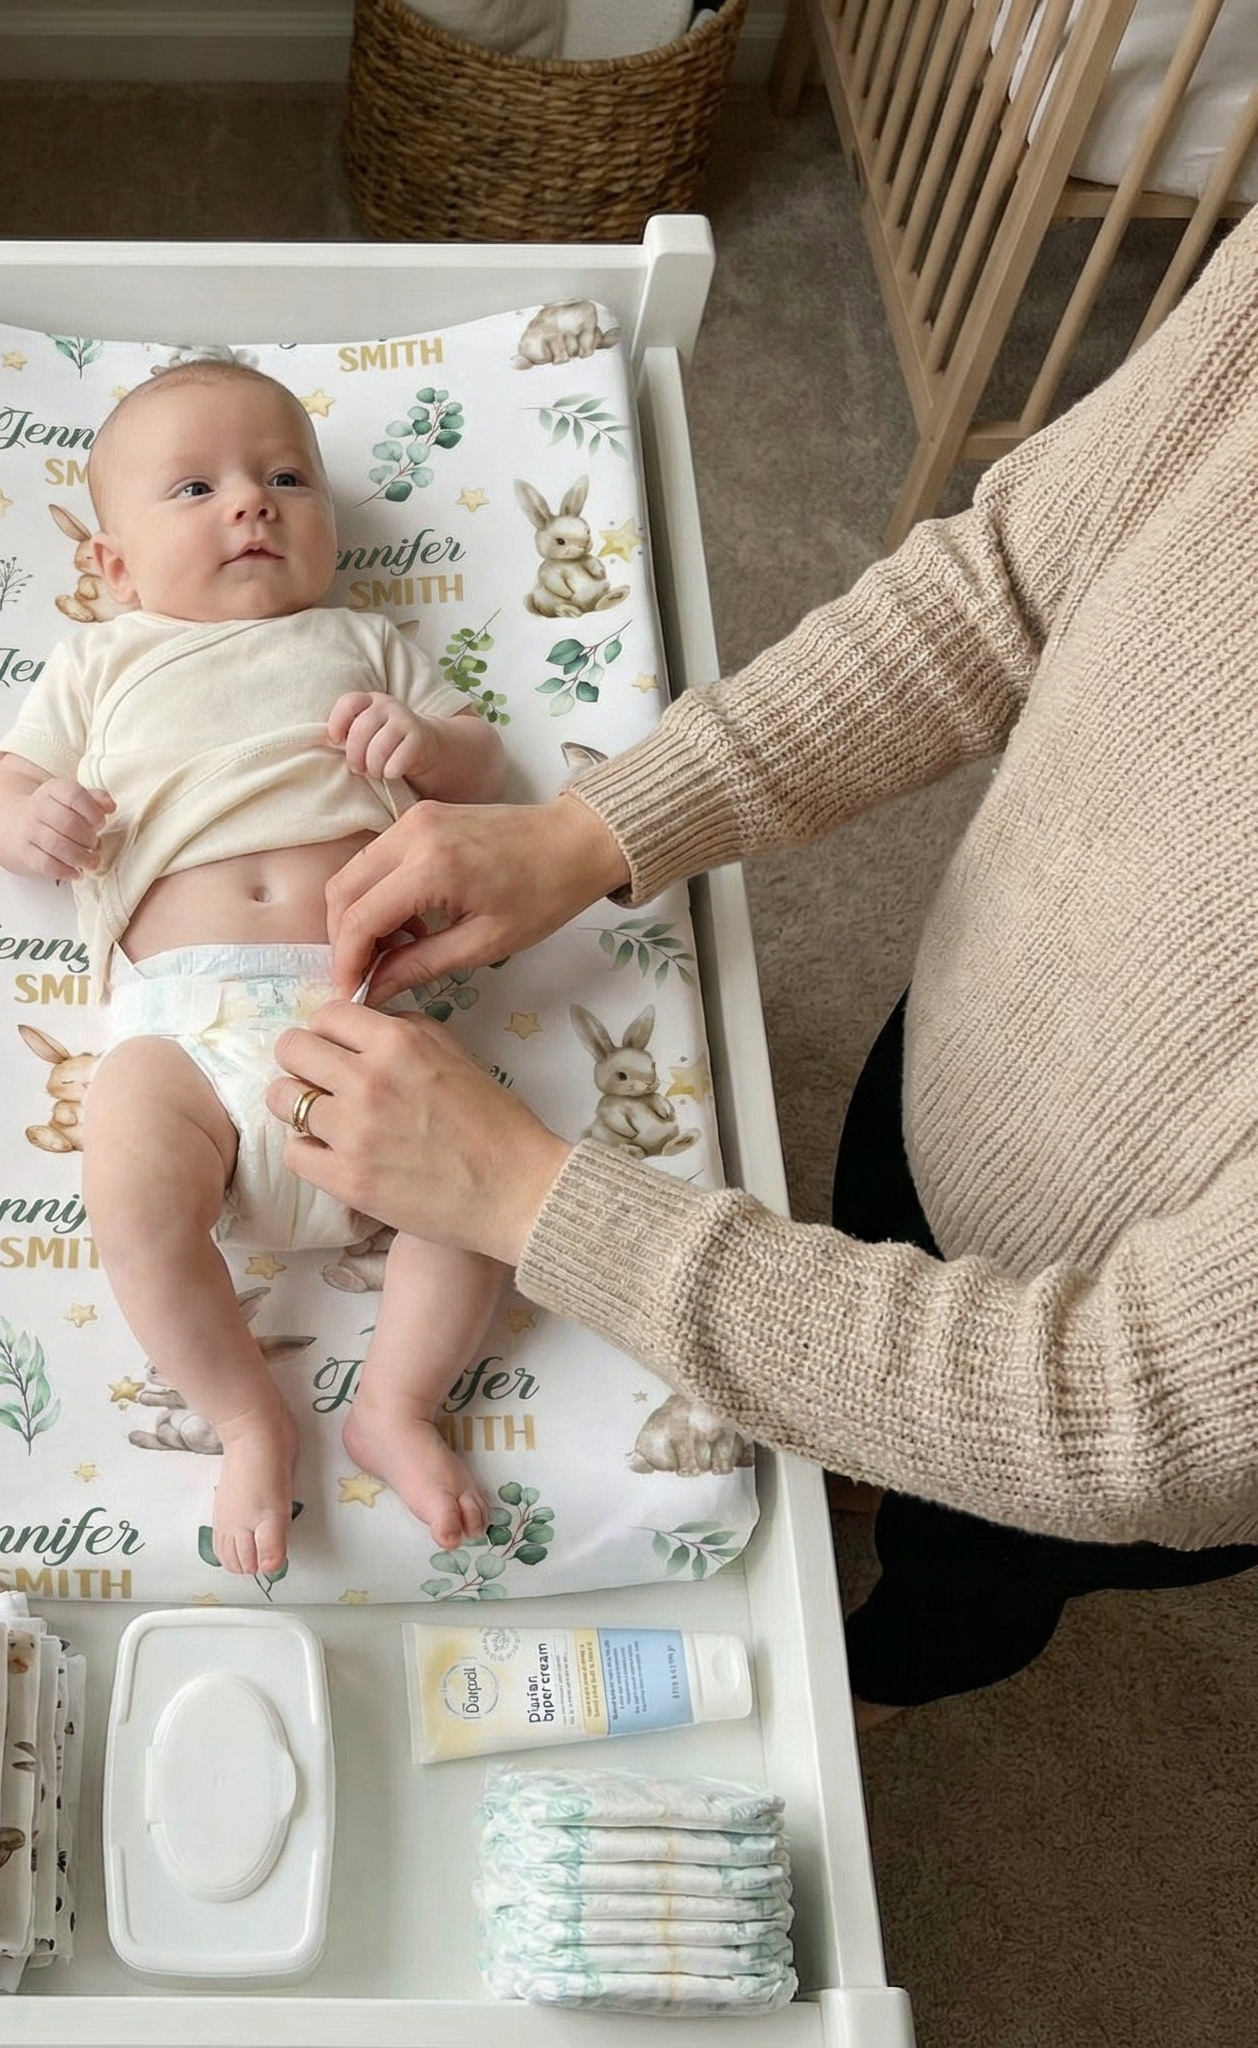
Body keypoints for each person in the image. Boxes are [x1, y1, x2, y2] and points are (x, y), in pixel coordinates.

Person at [264, 209, 1258, 1714]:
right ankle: (860, 1474)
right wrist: (591, 831)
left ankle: (908, 1654)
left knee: (977, 1552)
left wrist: (526, 1196)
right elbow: (1001, 590)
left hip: (1109, 1393)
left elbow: (1134, 1418)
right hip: (966, 1055)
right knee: (874, 1234)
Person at [0, 360, 508, 1580]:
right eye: (196, 487)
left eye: (283, 478)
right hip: (183, 1031)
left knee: (483, 1176)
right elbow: (4, 788)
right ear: (113, 567)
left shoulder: (362, 638)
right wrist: (32, 821)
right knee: (126, 1173)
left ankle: (395, 1404)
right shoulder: (102, 659)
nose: (251, 505)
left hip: (351, 1008)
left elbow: (479, 765)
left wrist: (423, 745)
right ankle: (244, 1414)